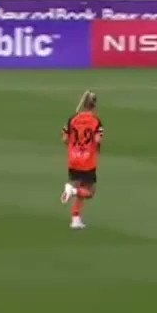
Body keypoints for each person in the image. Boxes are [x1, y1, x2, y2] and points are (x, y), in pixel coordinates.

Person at [62, 91, 104, 230]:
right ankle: (72, 191)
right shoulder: (96, 121)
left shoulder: (72, 119)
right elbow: (98, 140)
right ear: (94, 105)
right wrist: (97, 148)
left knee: (81, 188)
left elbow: (65, 139)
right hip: (87, 161)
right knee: (90, 191)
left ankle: (75, 219)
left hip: (73, 159)